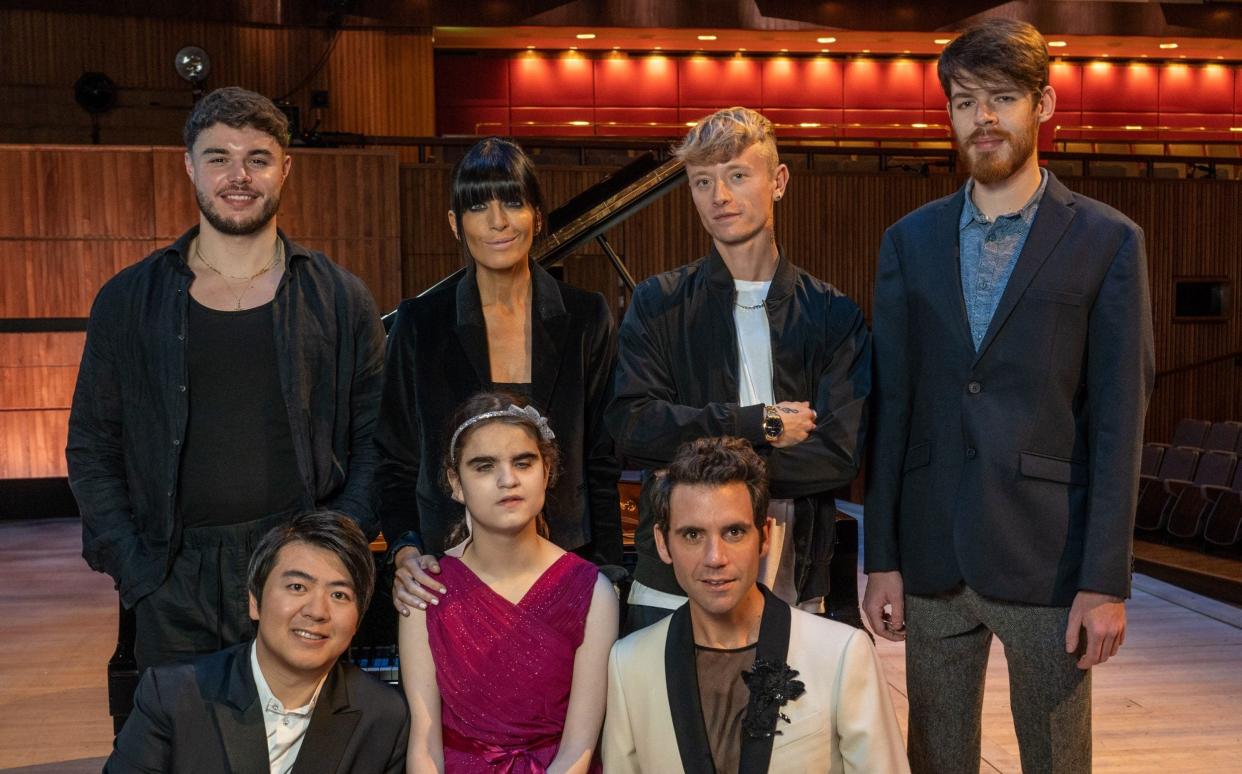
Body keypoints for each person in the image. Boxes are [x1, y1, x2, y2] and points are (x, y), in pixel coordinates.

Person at [863, 19, 1155, 774]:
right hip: (931, 555)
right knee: (938, 759)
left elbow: (1118, 423)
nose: (982, 118)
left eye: (1001, 98)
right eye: (965, 102)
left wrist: (1105, 580)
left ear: (1045, 105)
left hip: (1049, 559)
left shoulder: (1108, 240)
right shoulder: (908, 240)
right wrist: (881, 556)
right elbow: (891, 406)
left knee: (1057, 761)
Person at [68, 86, 385, 671]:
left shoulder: (341, 298)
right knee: (185, 752)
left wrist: (337, 545)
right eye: (218, 158)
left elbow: (376, 437)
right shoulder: (128, 300)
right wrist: (137, 570)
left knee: (295, 754)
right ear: (190, 165)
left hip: (297, 569)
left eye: (257, 159)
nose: (238, 176)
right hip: (172, 572)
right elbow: (92, 443)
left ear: (284, 169)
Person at [606, 106, 871, 632]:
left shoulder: (832, 314)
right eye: (702, 181)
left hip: (793, 559)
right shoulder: (658, 303)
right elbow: (635, 426)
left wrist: (693, 469)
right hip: (676, 567)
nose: (719, 197)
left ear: (778, 182)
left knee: (788, 714)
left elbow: (838, 455)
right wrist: (760, 423)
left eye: (737, 176)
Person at [374, 137, 622, 617]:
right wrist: (405, 549)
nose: (497, 221)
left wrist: (609, 571)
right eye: (477, 206)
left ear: (537, 214)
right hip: (451, 570)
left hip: (567, 565)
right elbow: (395, 460)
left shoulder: (585, 316)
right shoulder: (420, 323)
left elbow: (601, 459)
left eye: (512, 202)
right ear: (454, 224)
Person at [602, 437, 907, 773]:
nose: (714, 558)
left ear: (763, 536)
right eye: (692, 535)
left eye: (734, 532)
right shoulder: (628, 663)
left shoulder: (843, 654)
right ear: (663, 543)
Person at [400, 392, 618, 772]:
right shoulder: (427, 589)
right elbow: (424, 744)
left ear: (546, 472)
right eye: (484, 466)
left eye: (524, 462)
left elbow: (579, 747)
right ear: (455, 482)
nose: (508, 480)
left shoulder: (592, 591)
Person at [105, 511, 409, 774]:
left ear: (358, 619)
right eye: (297, 586)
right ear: (254, 600)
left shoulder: (383, 715)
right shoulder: (172, 695)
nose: (317, 611)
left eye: (339, 595)